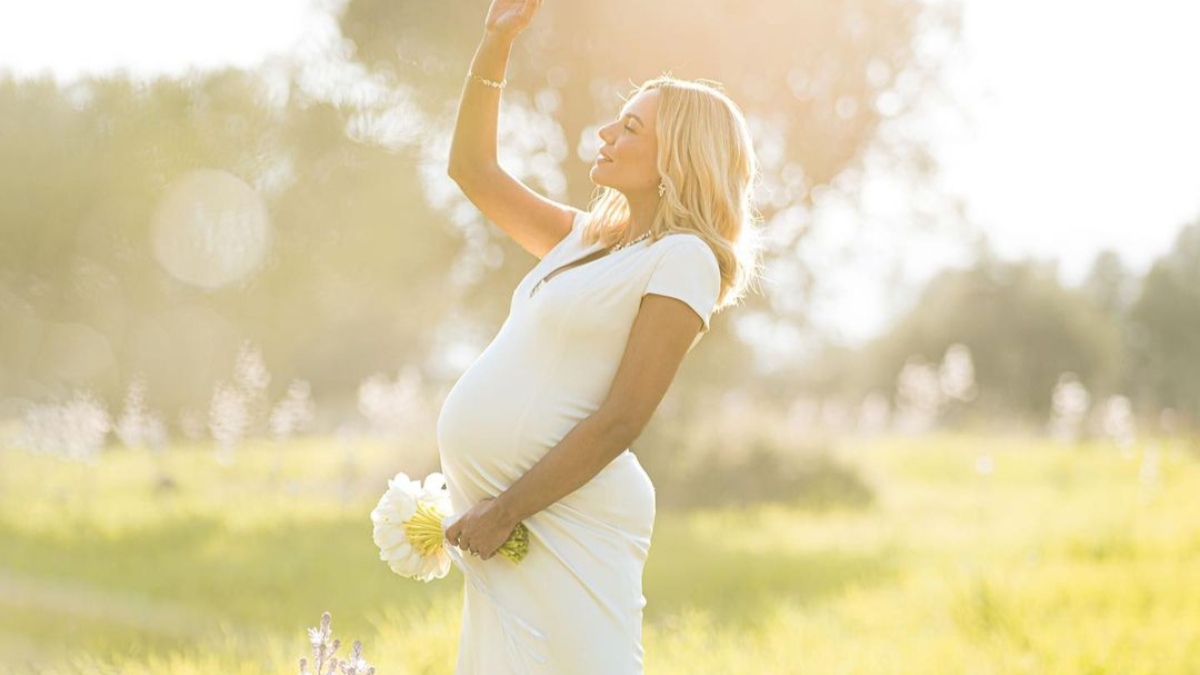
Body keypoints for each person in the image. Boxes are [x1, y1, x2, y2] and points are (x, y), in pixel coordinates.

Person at [438, 0, 761, 672]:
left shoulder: (684, 258)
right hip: (513, 520)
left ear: (675, 154)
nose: (606, 132)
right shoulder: (588, 240)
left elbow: (623, 417)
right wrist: (495, 43)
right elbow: (472, 170)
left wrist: (506, 508)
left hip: (562, 516)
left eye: (631, 126)